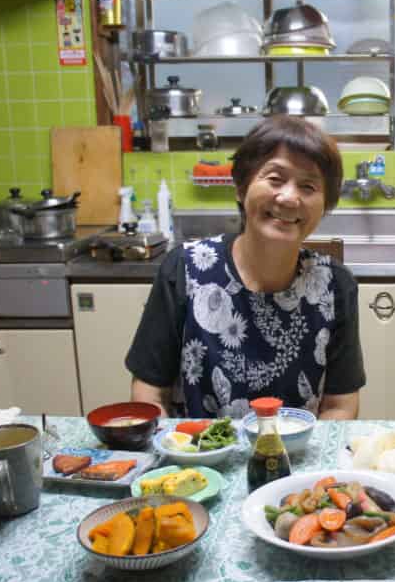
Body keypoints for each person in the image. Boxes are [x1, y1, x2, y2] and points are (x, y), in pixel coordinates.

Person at [126, 115, 365, 419]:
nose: (289, 197)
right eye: (275, 179)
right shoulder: (185, 269)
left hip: (302, 461)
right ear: (241, 187)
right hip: (200, 459)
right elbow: (149, 390)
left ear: (325, 204)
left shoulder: (334, 285)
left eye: (308, 186)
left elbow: (340, 405)